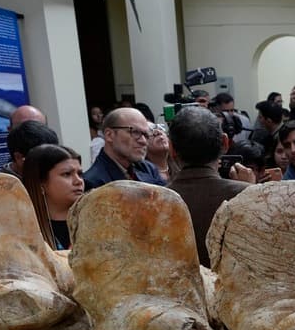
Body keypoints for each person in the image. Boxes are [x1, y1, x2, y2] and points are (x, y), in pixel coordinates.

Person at [167, 106, 253, 268]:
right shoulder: (247, 196)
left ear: (171, 149)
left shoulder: (156, 200)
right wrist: (252, 191)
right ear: (225, 142)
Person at [83, 107, 166, 190]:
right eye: (135, 132)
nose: (143, 141)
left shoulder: (148, 169)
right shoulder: (94, 182)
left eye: (146, 134)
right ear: (109, 135)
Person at [20, 144, 84, 250]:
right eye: (67, 174)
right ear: (41, 183)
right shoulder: (24, 232)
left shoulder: (98, 220)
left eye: (80, 174)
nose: (79, 181)